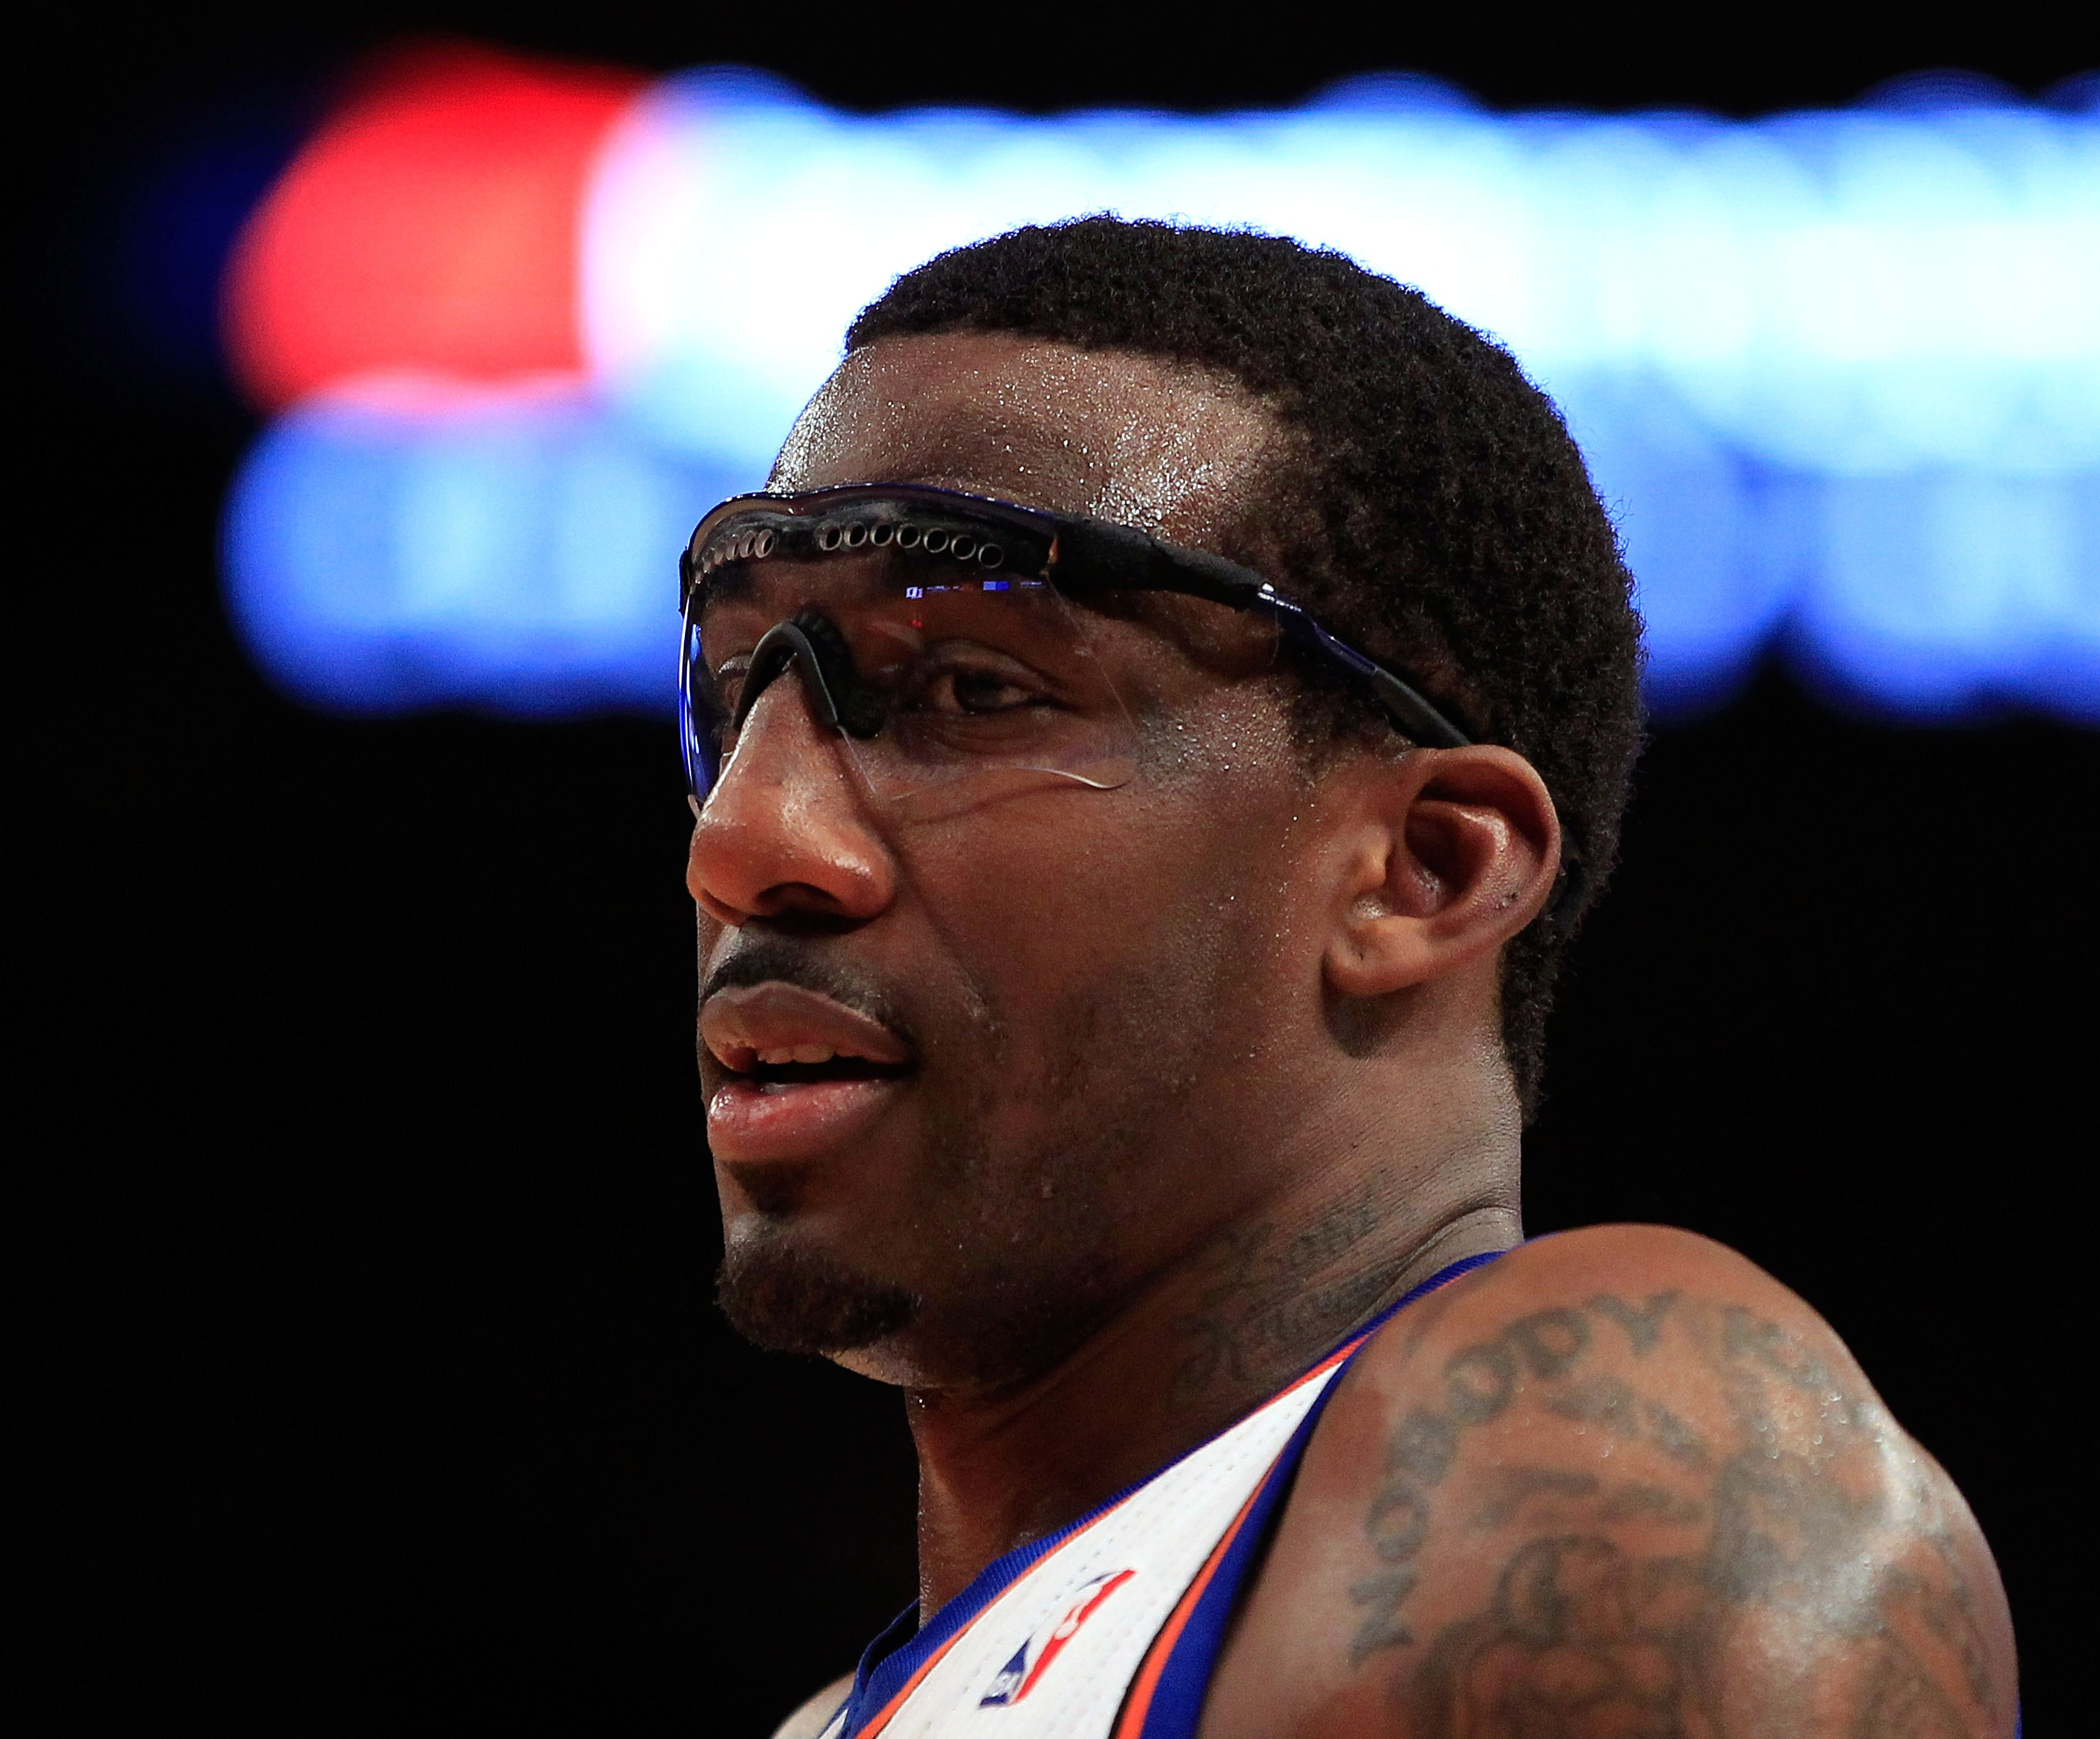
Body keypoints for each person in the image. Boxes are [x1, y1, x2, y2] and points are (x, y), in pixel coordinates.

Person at [685, 217, 2015, 1739]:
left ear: (1424, 871)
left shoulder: (1612, 1446)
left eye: (975, 692)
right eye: (738, 703)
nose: (744, 836)